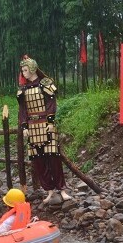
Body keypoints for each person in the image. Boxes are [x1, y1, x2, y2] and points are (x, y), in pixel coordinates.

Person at [17, 55, 71, 203]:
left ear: (33, 69)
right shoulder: (23, 89)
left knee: (53, 157)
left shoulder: (45, 84)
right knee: (39, 161)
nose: (23, 73)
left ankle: (62, 189)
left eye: (25, 70)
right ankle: (50, 190)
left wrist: (50, 121)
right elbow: (22, 110)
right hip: (32, 127)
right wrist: (24, 126)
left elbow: (51, 103)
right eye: (22, 70)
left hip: (46, 124)